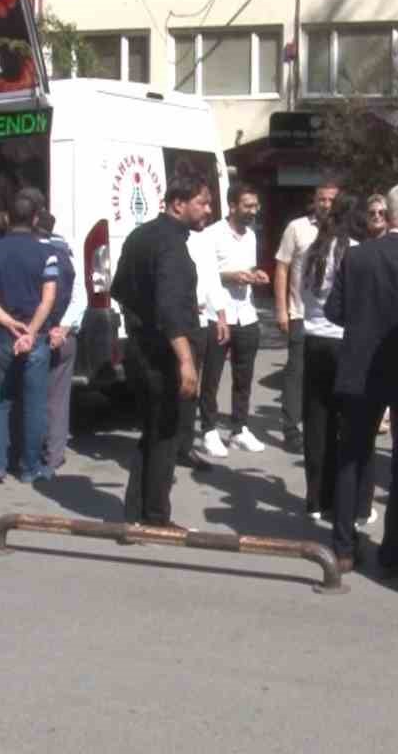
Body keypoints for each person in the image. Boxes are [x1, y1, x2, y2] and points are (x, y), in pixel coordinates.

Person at [326, 183, 398, 576]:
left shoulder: (358, 258)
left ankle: (341, 547)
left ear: (387, 216)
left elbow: (334, 310)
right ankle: (391, 550)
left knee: (351, 457)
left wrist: (363, 325)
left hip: (361, 367)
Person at [111, 172, 211, 529]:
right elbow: (170, 310)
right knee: (165, 435)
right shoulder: (169, 244)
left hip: (140, 348)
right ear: (178, 204)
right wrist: (185, 361)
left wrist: (140, 315)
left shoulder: (140, 235)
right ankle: (155, 518)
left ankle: (134, 515)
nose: (208, 211)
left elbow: (120, 289)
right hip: (162, 355)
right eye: (202, 203)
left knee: (152, 433)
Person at [0, 192, 60, 485]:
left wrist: (8, 323)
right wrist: (30, 331)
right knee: (34, 401)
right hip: (35, 335)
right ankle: (30, 467)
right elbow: (48, 300)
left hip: (2, 333)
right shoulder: (46, 254)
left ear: (8, 218)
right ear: (35, 219)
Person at [300, 194, 368, 524]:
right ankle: (353, 505)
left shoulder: (316, 249)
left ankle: (316, 499)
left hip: (314, 340)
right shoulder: (354, 250)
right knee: (351, 426)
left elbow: (304, 293)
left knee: (317, 424)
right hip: (344, 341)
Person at [200, 182, 268, 456]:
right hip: (219, 314)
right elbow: (205, 274)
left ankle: (239, 428)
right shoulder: (212, 234)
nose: (254, 211)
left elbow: (248, 268)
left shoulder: (251, 235)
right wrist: (231, 276)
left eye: (255, 206)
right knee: (213, 376)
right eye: (248, 206)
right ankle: (208, 429)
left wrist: (255, 275)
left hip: (246, 314)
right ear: (232, 206)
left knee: (244, 375)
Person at [274, 178, 340, 453]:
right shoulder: (297, 228)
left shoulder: (345, 231)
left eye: (331, 200)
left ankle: (325, 426)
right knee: (297, 371)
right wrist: (281, 310)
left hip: (336, 318)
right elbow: (281, 268)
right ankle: (291, 428)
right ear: (314, 200)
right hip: (300, 312)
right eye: (322, 199)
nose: (326, 205)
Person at [37, 208, 85, 476]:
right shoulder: (68, 256)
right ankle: (54, 456)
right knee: (58, 397)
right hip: (63, 335)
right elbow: (80, 298)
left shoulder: (35, 254)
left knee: (31, 396)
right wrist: (64, 329)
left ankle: (30, 453)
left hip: (36, 332)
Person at [179, 203, 227, 473]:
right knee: (181, 385)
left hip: (201, 321)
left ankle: (185, 446)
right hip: (178, 322)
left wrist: (220, 314)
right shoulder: (170, 238)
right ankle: (172, 444)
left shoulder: (205, 238)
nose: (208, 210)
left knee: (194, 385)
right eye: (202, 203)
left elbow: (211, 279)